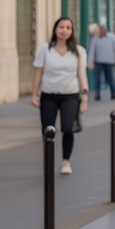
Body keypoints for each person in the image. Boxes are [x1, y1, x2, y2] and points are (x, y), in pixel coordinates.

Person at [32, 17, 89, 175]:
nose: (64, 31)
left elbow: (82, 75)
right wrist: (34, 94)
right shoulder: (45, 49)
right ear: (55, 30)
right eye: (61, 27)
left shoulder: (78, 51)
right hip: (49, 95)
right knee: (48, 130)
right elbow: (38, 73)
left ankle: (66, 160)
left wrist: (84, 97)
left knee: (67, 128)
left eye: (68, 28)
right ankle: (48, 160)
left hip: (70, 95)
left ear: (72, 31)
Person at [87, 22, 115, 100]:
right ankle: (100, 94)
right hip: (100, 61)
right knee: (100, 79)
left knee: (109, 78)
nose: (101, 31)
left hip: (108, 61)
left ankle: (113, 92)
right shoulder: (96, 39)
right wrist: (90, 62)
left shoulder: (111, 37)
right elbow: (92, 51)